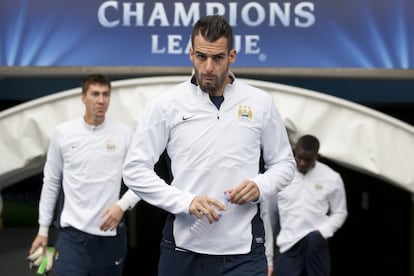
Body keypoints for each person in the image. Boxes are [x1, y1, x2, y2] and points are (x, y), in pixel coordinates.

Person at [122, 15, 295, 276]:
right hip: (183, 251)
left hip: (244, 254)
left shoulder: (261, 103)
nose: (208, 67)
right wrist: (185, 201)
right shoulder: (166, 104)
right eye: (201, 57)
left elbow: (284, 164)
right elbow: (135, 170)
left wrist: (260, 185)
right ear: (190, 53)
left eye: (218, 58)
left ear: (232, 56)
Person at [29, 74, 141, 276]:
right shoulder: (63, 132)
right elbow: (51, 182)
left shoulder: (125, 134)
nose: (101, 100)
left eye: (106, 94)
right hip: (72, 237)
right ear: (83, 97)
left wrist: (122, 206)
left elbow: (142, 180)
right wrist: (43, 230)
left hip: (110, 238)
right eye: (95, 94)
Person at [262, 134, 348, 276]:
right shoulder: (281, 175)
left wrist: (323, 231)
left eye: (307, 159)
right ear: (294, 152)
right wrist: (269, 256)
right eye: (299, 157)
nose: (302, 162)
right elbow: (270, 215)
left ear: (317, 156)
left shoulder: (332, 177)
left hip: (316, 243)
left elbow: (340, 212)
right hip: (287, 245)